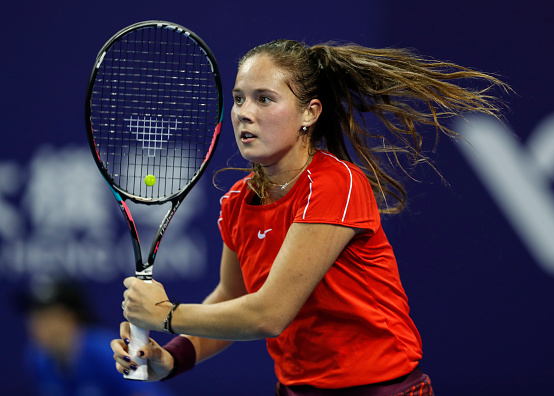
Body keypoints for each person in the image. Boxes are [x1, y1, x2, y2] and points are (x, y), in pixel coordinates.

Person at [112, 39, 508, 395]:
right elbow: (233, 300)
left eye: (264, 99)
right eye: (238, 98)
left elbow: (268, 314)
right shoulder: (238, 201)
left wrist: (165, 315)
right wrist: (171, 359)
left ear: (309, 112)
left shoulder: (335, 184)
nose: (244, 113)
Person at [18, 279, 175, 396]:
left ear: (71, 318)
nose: (36, 324)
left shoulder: (106, 351)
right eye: (34, 316)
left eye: (48, 317)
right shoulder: (36, 357)